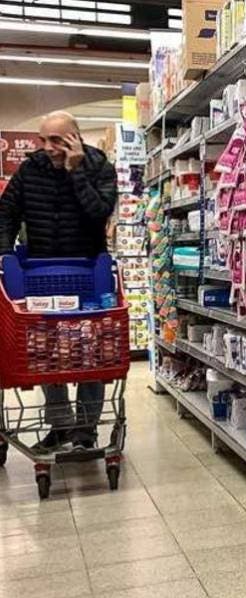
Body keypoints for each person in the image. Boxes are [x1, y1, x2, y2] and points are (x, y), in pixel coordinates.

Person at [0, 111, 118, 451]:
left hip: (88, 273)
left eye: (57, 140)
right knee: (46, 350)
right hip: (39, 275)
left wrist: (76, 171)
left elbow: (99, 213)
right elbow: (6, 213)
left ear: (75, 137)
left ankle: (85, 432)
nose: (48, 147)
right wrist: (5, 254)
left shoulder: (99, 166)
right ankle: (62, 425)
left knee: (90, 352)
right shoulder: (31, 169)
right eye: (44, 140)